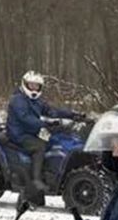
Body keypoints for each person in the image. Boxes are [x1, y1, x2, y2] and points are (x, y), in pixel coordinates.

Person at [6, 71, 85, 199]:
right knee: (39, 147)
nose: (34, 89)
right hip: (18, 134)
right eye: (31, 85)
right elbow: (25, 118)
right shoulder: (18, 99)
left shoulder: (37, 101)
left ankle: (48, 174)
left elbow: (51, 111)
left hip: (31, 132)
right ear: (25, 84)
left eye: (37, 86)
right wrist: (45, 124)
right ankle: (36, 180)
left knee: (52, 142)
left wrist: (73, 115)